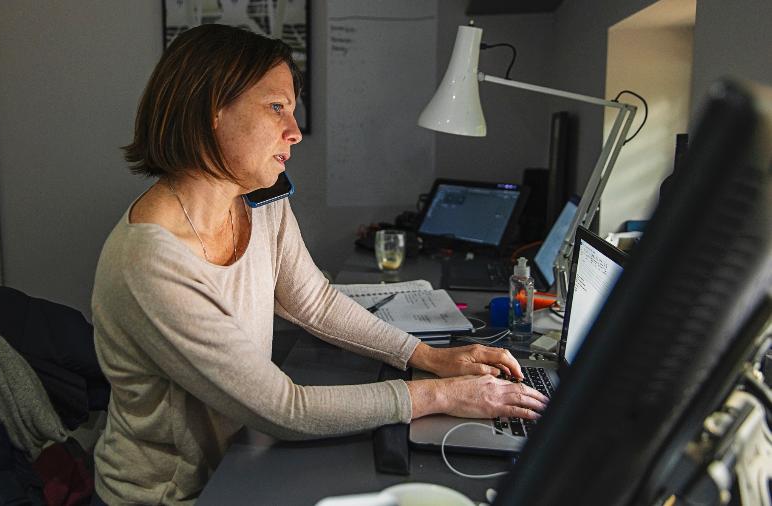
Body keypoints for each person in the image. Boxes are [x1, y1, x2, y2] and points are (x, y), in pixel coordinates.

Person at [90, 24, 548, 505]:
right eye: (276, 108)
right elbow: (282, 408)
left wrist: (429, 357)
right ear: (211, 112)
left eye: (292, 109)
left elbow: (315, 301)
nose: (294, 131)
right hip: (169, 494)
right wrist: (443, 395)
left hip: (236, 463)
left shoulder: (259, 200)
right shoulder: (149, 261)